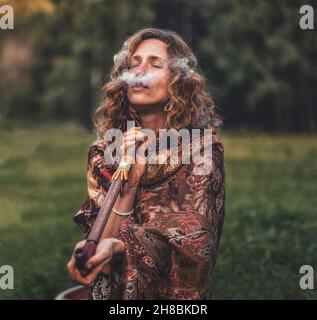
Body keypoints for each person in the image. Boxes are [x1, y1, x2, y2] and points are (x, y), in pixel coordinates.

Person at [67, 28, 225, 300]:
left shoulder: (201, 151)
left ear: (179, 80)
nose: (139, 71)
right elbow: (99, 244)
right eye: (133, 64)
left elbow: (197, 246)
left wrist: (119, 247)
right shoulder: (103, 153)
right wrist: (128, 187)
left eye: (155, 64)